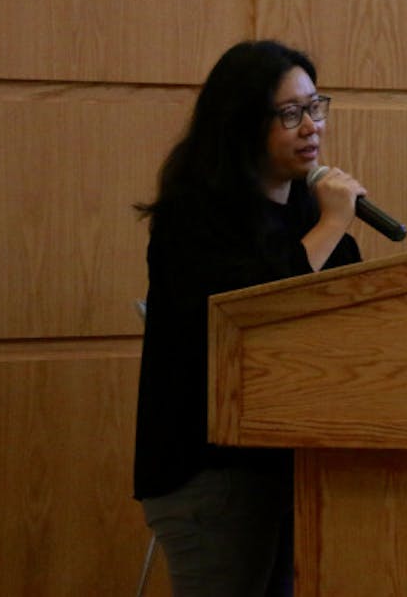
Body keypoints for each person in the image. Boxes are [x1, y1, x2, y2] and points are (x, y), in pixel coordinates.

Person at [132, 40, 366, 595]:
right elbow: (255, 308)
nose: (311, 127)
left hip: (289, 463)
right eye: (290, 113)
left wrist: (331, 229)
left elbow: (353, 304)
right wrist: (332, 225)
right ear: (241, 123)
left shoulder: (307, 209)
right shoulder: (195, 216)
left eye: (315, 107)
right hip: (210, 472)